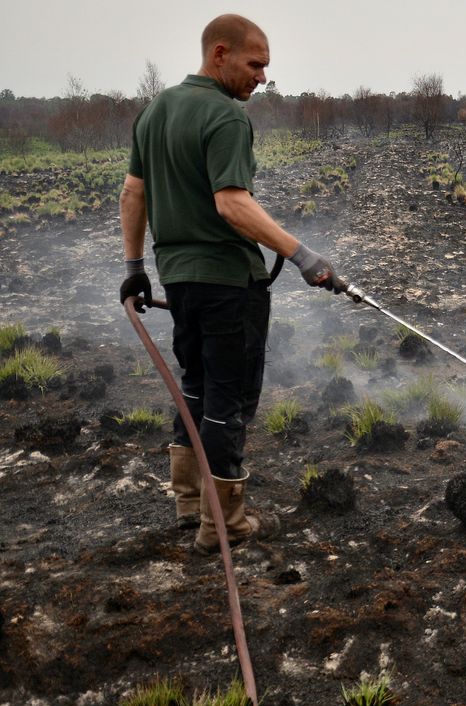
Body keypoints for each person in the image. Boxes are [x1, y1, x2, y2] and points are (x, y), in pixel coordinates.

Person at [119, 14, 343, 554]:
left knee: (193, 385)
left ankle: (190, 503)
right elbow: (232, 203)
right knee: (227, 399)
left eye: (266, 66)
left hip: (180, 282)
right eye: (255, 63)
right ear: (220, 54)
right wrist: (301, 255)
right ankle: (226, 524)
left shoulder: (154, 112)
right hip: (226, 284)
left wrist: (134, 268)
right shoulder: (225, 117)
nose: (263, 77)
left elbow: (132, 194)